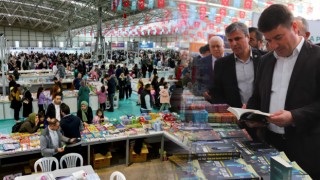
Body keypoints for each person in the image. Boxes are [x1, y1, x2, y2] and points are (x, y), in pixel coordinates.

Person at [246, 4, 320, 179]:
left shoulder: (317, 58)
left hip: (306, 148)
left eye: (278, 37)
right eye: (269, 40)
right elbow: (257, 97)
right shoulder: (265, 61)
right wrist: (250, 115)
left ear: (294, 27)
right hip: (270, 144)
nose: (274, 45)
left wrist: (294, 116)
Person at [212, 22, 265, 108]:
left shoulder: (264, 59)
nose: (233, 43)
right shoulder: (221, 64)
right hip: (233, 116)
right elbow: (217, 93)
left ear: (248, 37)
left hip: (261, 115)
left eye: (237, 39)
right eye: (230, 40)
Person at [196, 36, 225, 101]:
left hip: (229, 100)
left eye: (218, 46)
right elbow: (198, 81)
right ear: (209, 48)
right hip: (209, 99)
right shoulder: (202, 62)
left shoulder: (232, 59)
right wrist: (203, 91)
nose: (215, 49)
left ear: (224, 46)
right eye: (213, 47)